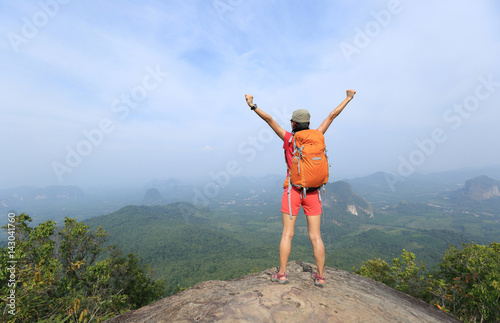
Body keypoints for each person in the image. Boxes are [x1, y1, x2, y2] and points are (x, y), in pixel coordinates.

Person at [244, 89, 356, 287]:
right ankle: (320, 276)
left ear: (294, 124)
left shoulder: (290, 138)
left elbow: (269, 120)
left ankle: (283, 274)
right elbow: (332, 115)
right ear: (309, 123)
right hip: (314, 193)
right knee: (316, 236)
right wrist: (348, 98)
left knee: (287, 234)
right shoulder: (318, 134)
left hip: (293, 192)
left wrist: (252, 105)